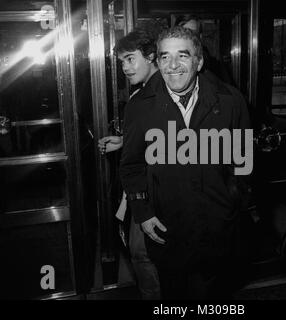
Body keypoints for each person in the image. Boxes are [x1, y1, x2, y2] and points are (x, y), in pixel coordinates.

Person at [119, 26, 252, 299]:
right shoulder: (140, 105)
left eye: (183, 55)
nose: (173, 65)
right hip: (168, 228)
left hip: (218, 226)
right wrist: (143, 212)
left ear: (199, 61)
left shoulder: (230, 101)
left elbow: (244, 160)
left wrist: (234, 203)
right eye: (165, 57)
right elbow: (132, 165)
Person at [97, 28, 161, 300]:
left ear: (150, 57)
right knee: (141, 252)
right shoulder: (140, 95)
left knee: (143, 253)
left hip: (157, 188)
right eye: (121, 61)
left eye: (130, 59)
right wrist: (125, 141)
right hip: (145, 187)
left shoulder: (164, 94)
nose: (124, 67)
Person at [175, 14, 234, 85]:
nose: (188, 37)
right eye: (183, 33)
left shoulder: (216, 68)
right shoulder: (166, 65)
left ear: (200, 36)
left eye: (193, 33)